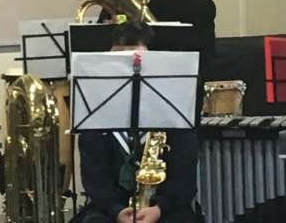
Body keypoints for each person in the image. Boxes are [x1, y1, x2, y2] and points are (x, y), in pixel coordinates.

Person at [72, 21, 200, 223]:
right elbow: (95, 181)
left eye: (135, 58)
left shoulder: (175, 116)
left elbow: (185, 180)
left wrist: (159, 208)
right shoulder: (94, 117)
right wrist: (117, 211)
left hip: (164, 210)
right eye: (117, 59)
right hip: (110, 210)